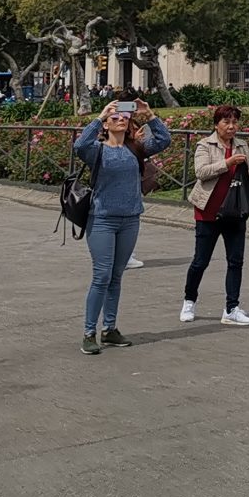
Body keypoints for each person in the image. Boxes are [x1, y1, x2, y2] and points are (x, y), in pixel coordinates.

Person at [72, 98, 171, 354]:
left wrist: (149, 115)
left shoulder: (135, 147)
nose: (120, 119)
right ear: (106, 124)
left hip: (130, 219)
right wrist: (100, 115)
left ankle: (110, 328)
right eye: (114, 118)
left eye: (123, 117)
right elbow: (79, 145)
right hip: (102, 219)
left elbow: (163, 140)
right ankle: (89, 332)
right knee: (102, 275)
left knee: (116, 276)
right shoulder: (98, 150)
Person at [182, 104, 249, 327]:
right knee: (200, 261)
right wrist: (226, 164)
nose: (231, 126)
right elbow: (201, 172)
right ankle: (189, 300)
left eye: (235, 122)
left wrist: (248, 176)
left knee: (235, 261)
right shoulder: (204, 145)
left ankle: (232, 308)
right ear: (216, 125)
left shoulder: (241, 145)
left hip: (235, 212)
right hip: (208, 212)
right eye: (226, 122)